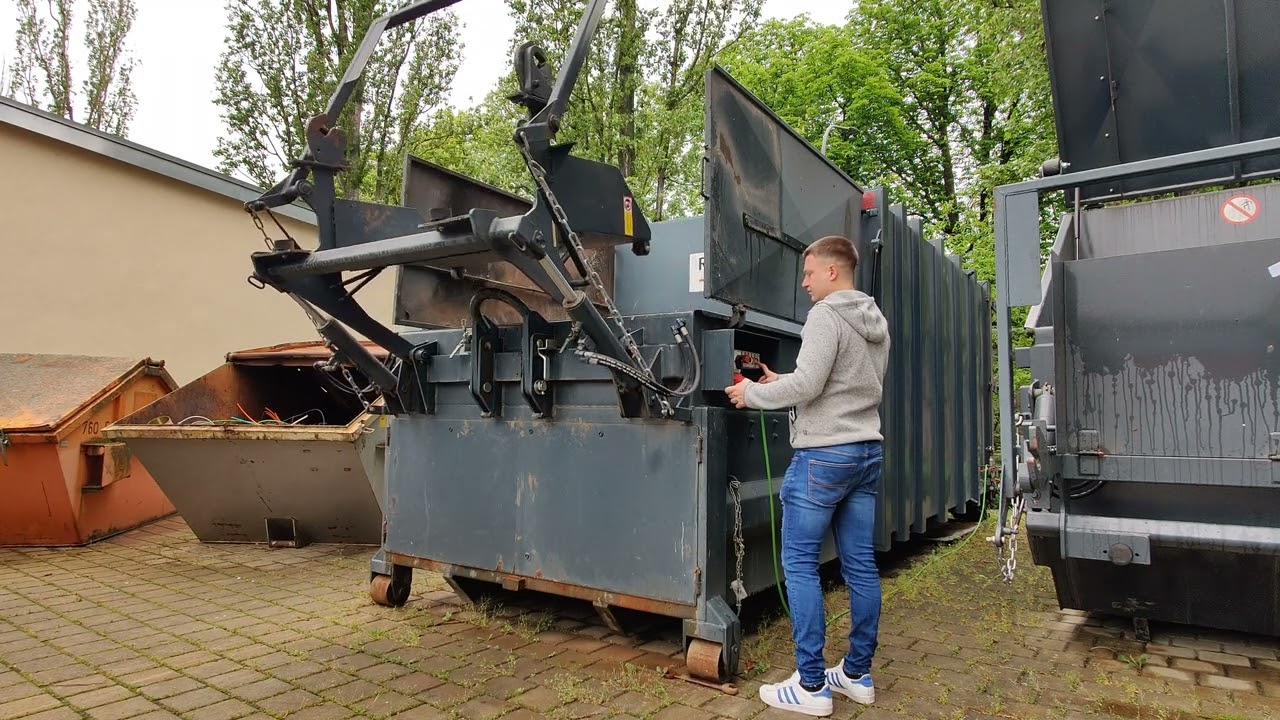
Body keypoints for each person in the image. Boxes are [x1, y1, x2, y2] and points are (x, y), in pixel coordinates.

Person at [724, 235, 890, 717]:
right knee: (859, 564)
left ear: (832, 272)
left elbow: (812, 384)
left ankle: (812, 685)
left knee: (798, 563)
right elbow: (838, 384)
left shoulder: (825, 315)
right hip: (865, 452)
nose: (805, 282)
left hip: (823, 458)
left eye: (809, 273)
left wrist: (751, 394)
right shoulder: (874, 319)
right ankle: (857, 675)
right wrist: (780, 382)